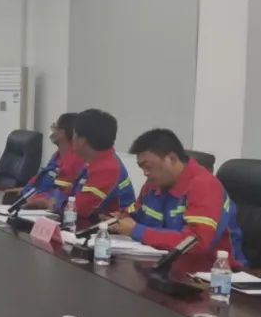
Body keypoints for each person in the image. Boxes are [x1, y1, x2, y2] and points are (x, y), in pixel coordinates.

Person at [113, 128, 247, 267]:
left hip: (215, 271)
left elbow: (196, 242)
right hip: (166, 263)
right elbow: (135, 212)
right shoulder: (153, 184)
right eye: (142, 168)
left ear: (171, 158)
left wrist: (137, 231)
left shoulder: (204, 185)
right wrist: (119, 220)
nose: (145, 173)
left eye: (148, 166)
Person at [60, 109, 135, 223]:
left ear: (82, 140)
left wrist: (54, 202)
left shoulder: (107, 168)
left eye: (74, 134)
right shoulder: (94, 160)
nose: (71, 138)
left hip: (110, 229)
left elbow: (79, 209)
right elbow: (70, 193)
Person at [19, 112, 84, 209]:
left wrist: (36, 199)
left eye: (55, 127)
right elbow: (39, 181)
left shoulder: (74, 161)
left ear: (62, 132)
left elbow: (59, 195)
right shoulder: (57, 156)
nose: (52, 130)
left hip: (46, 210)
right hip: (31, 202)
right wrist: (25, 191)